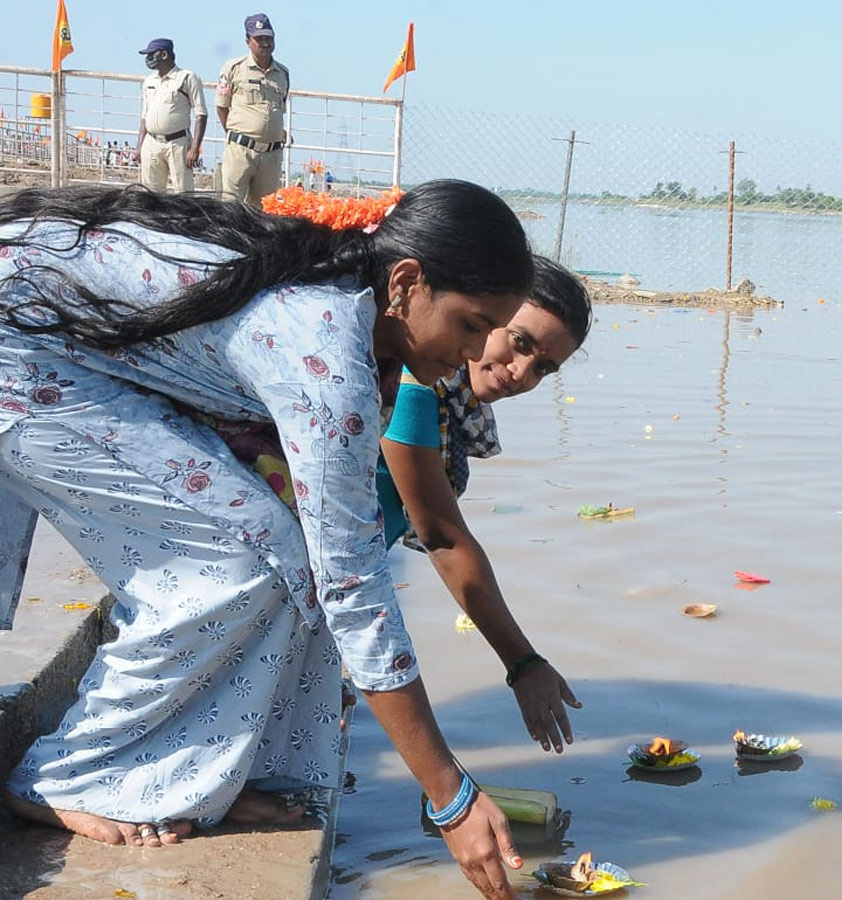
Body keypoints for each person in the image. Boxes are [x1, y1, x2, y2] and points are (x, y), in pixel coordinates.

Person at [0, 179, 536, 900]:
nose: (477, 354)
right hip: (21, 361)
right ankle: (69, 775)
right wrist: (450, 796)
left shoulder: (351, 297)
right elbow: (353, 587)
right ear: (405, 283)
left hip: (50, 347)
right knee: (238, 561)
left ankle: (202, 777)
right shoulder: (325, 348)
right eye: (471, 325)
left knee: (283, 552)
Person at [378, 256, 592, 752]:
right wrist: (522, 662)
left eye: (543, 367)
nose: (521, 373)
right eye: (519, 342)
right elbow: (441, 536)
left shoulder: (450, 397)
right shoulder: (414, 390)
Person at [215, 14, 289, 206]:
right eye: (259, 39)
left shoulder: (283, 73)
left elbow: (279, 109)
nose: (264, 43)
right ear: (248, 41)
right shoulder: (233, 68)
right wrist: (238, 134)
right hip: (241, 151)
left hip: (271, 155)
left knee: (264, 213)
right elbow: (222, 107)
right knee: (231, 208)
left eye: (268, 38)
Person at [134, 38, 208, 194]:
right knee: (150, 194)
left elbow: (201, 114)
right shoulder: (149, 81)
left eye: (151, 55)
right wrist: (139, 146)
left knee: (183, 193)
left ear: (164, 54)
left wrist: (194, 148)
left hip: (177, 143)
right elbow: (144, 116)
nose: (148, 59)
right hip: (152, 142)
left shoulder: (187, 78)